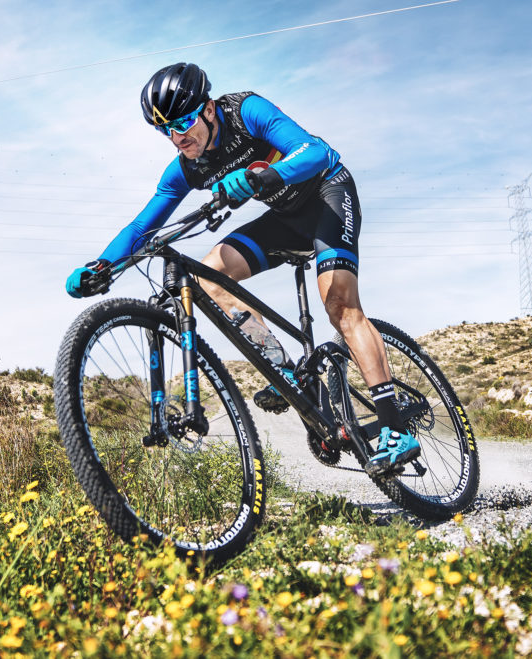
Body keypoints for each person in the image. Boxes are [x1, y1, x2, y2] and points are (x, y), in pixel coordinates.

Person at [65, 62, 419, 476]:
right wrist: (104, 265)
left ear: (208, 109)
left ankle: (396, 428)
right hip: (285, 218)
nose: (177, 137)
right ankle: (287, 372)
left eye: (183, 122)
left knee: (339, 305)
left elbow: (315, 152)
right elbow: (144, 227)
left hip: (327, 194)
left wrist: (263, 176)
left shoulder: (244, 111)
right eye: (166, 130)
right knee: (208, 275)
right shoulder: (187, 168)